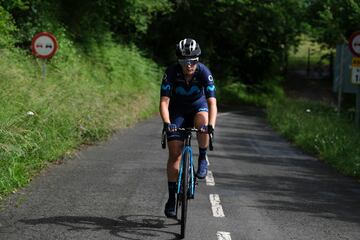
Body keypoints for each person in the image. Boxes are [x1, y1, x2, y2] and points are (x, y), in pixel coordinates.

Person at [159, 38, 218, 218]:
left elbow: (212, 103)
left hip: (198, 107)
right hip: (177, 111)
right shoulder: (171, 72)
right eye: (185, 61)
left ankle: (202, 157)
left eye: (193, 60)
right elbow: (164, 102)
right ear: (179, 61)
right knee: (174, 153)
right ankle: (171, 198)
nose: (189, 65)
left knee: (203, 120)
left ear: (198, 60)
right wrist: (168, 124)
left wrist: (211, 126)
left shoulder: (204, 72)